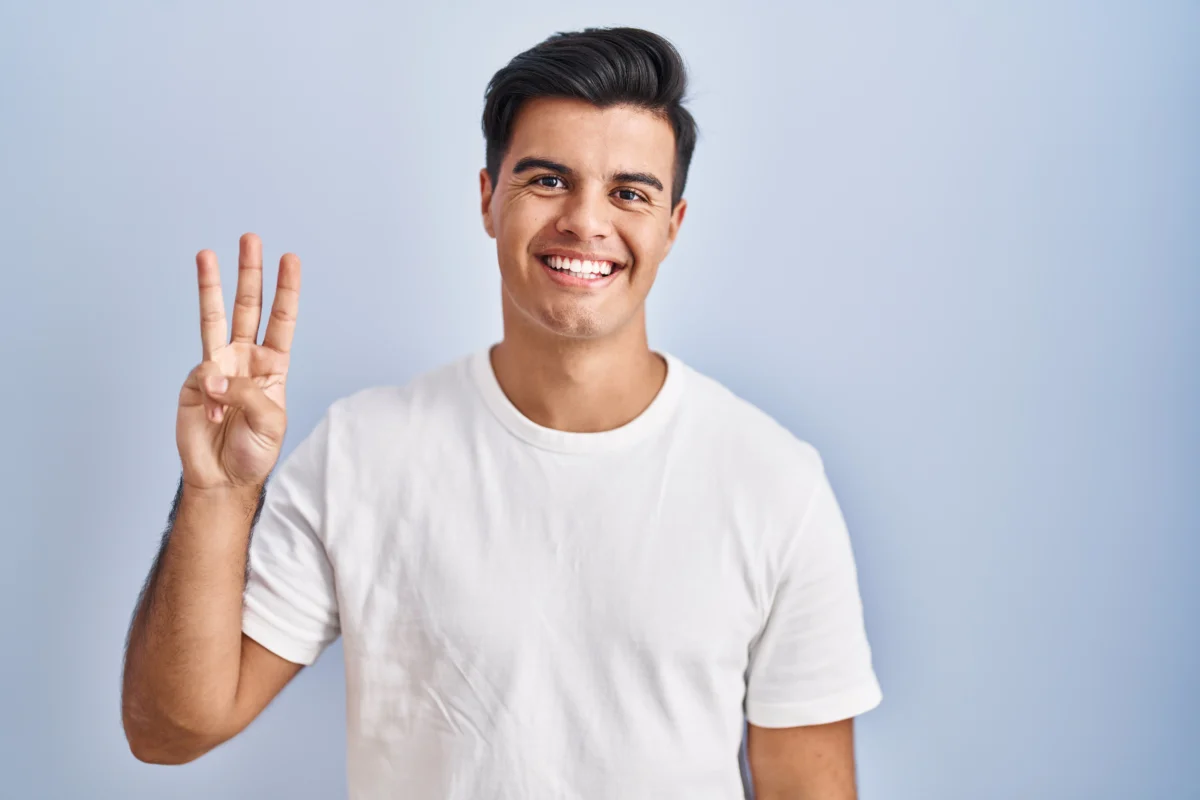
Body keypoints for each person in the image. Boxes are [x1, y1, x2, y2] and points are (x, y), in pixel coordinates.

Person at [120, 26, 883, 800]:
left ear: (671, 226)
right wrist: (218, 495)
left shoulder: (773, 482)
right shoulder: (362, 451)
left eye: (629, 192)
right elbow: (168, 730)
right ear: (488, 200)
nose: (587, 222)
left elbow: (807, 788)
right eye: (548, 180)